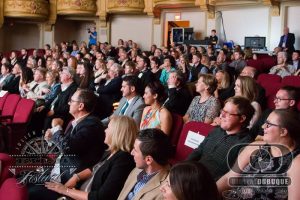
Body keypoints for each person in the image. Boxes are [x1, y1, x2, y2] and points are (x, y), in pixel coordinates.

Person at [29, 89, 106, 200]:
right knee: (21, 179)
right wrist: (51, 138)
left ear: (80, 106)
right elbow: (63, 145)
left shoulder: (91, 125)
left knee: (28, 192)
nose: (68, 103)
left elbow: (68, 148)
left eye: (71, 101)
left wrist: (56, 128)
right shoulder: (79, 122)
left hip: (67, 180)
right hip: (57, 169)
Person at [45, 116, 137, 200]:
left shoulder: (124, 160)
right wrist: (76, 177)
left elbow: (102, 197)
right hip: (79, 190)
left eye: (108, 128)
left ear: (117, 133)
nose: (105, 131)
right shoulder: (111, 152)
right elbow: (94, 168)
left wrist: (65, 191)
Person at [217, 109, 300, 199]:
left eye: (268, 124)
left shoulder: (296, 163)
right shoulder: (256, 147)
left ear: (283, 132)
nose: (263, 126)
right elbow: (229, 178)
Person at [187, 96, 255, 180]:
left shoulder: (245, 144)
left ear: (241, 118)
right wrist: (182, 167)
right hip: (191, 174)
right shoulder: (216, 131)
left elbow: (230, 177)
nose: (222, 115)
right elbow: (199, 150)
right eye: (223, 111)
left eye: (227, 113)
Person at [117, 128, 172, 200]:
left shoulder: (166, 190)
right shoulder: (136, 170)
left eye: (135, 150)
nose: (131, 152)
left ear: (148, 160)